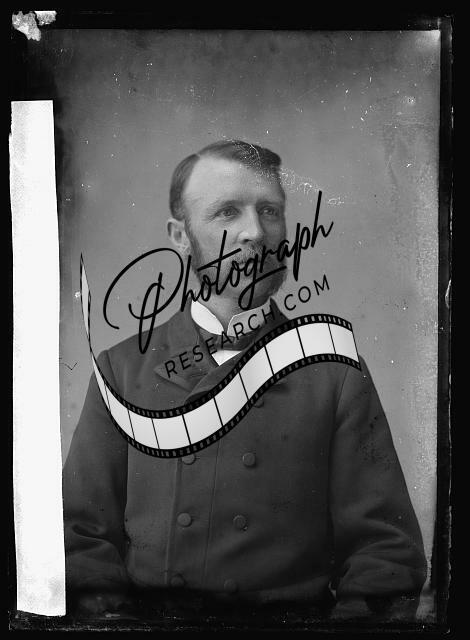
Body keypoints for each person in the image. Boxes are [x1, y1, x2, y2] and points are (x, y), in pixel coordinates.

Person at [63, 140, 427, 622]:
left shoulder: (335, 372)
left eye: (269, 211)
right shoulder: (121, 370)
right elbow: (79, 541)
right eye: (227, 212)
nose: (255, 232)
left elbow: (385, 555)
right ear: (180, 235)